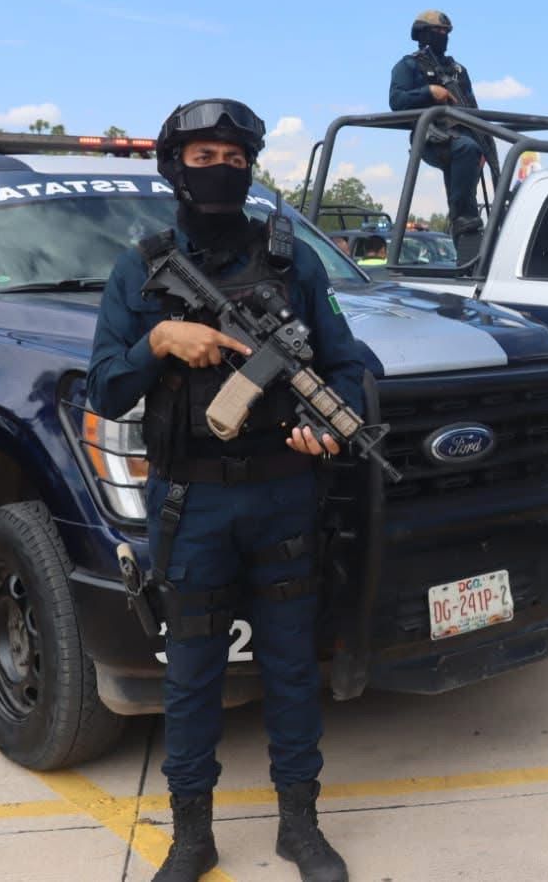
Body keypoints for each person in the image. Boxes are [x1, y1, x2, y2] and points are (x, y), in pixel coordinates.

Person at [87, 98, 361, 882]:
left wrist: (329, 426)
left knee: (291, 667)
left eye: (234, 159)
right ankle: (191, 836)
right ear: (175, 169)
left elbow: (347, 365)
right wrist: (158, 340)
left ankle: (299, 827)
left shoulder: (292, 261)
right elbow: (105, 388)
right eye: (203, 158)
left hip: (283, 493)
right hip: (193, 502)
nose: (220, 170)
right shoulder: (140, 268)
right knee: (192, 674)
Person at [388, 9, 488, 262]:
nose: (443, 35)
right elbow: (397, 101)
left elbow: (473, 108)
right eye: (437, 31)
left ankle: (471, 250)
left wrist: (484, 144)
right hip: (431, 137)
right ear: (422, 34)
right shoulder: (408, 66)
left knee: (471, 167)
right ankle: (465, 223)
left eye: (446, 32)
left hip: (465, 137)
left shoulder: (458, 70)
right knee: (465, 152)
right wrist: (430, 92)